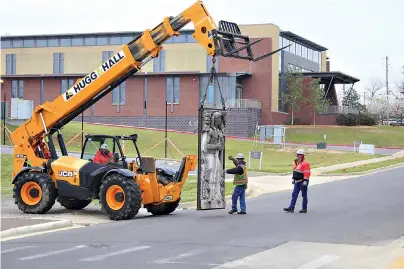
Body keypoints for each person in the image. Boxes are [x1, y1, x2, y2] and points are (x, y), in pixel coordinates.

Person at [283, 149, 311, 213]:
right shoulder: (296, 162)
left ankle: (304, 208)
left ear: (303, 156)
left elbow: (307, 173)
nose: (299, 156)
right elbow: (295, 171)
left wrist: (305, 180)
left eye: (300, 155)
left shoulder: (305, 163)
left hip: (303, 181)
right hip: (297, 181)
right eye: (298, 155)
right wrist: (293, 178)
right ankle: (291, 207)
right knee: (294, 194)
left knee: (304, 195)